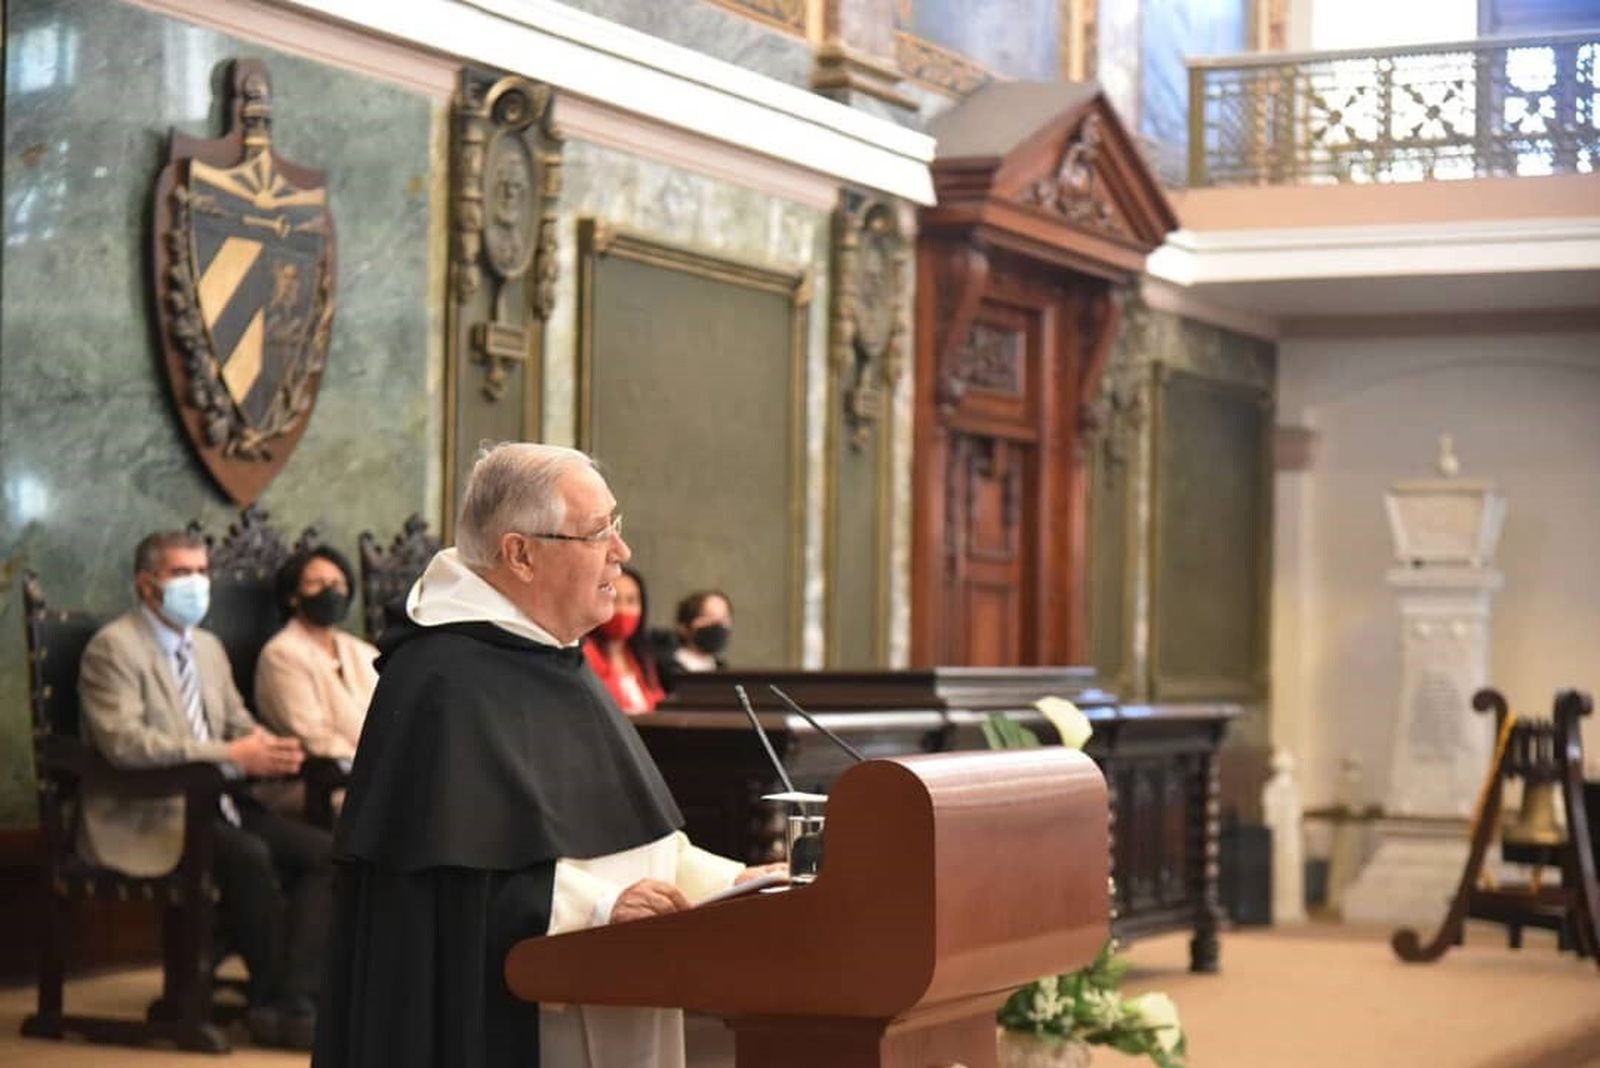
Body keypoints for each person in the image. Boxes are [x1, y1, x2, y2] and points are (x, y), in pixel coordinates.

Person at [315, 443, 782, 1068]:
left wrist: (729, 882)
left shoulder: (551, 654)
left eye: (616, 526)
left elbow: (618, 833)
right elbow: (445, 887)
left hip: (619, 985)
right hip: (516, 1018)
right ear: (521, 553)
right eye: (598, 533)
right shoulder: (442, 681)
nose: (622, 552)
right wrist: (595, 907)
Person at [77, 531, 334, 1051]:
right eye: (181, 573)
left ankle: (291, 999)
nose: (197, 583)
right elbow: (125, 744)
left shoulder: (209, 648)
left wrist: (269, 746)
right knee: (250, 855)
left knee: (329, 854)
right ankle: (273, 1001)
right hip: (152, 811)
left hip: (219, 803)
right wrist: (231, 756)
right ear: (147, 585)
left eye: (201, 571)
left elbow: (237, 722)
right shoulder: (114, 648)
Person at [255, 545, 380, 760]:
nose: (330, 592)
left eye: (337, 584)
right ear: (293, 596)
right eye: (316, 584)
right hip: (323, 781)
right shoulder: (281, 654)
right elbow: (313, 738)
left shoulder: (362, 651)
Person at [582, 564, 664, 715]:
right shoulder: (583, 654)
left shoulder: (643, 657)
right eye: (614, 600)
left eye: (631, 601)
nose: (623, 609)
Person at [656, 589, 733, 695]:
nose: (718, 624)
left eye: (724, 617)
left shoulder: (724, 672)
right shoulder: (665, 668)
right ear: (684, 626)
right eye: (708, 616)